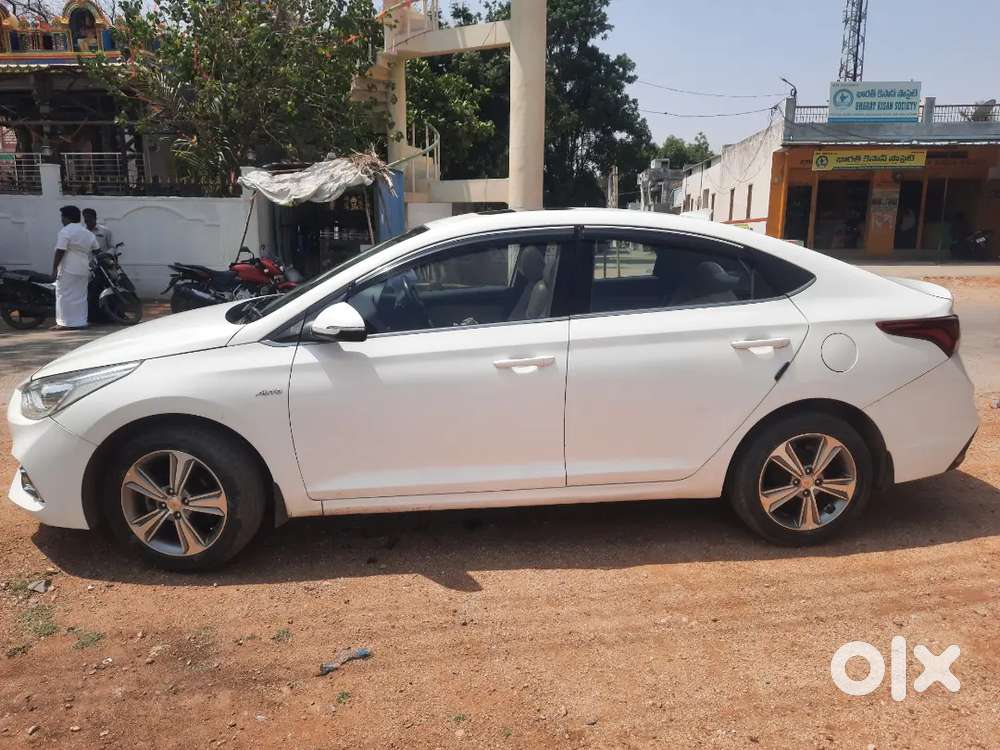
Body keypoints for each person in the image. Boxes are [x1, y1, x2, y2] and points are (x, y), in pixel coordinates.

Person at [51, 205, 98, 331]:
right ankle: (80, 322)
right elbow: (97, 249)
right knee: (81, 296)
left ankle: (64, 323)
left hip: (68, 268)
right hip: (83, 268)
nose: (61, 220)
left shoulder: (66, 231)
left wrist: (54, 269)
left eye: (62, 217)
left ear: (67, 218)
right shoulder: (87, 233)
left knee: (63, 295)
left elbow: (60, 250)